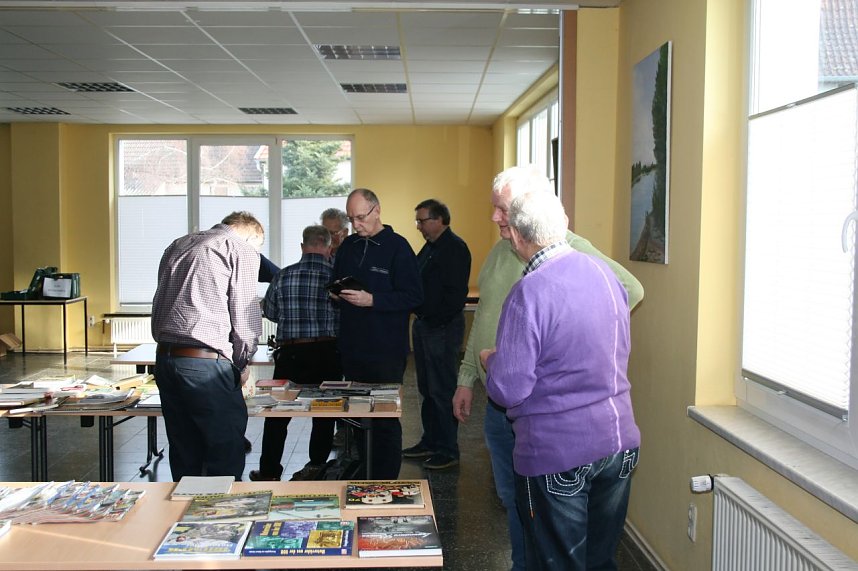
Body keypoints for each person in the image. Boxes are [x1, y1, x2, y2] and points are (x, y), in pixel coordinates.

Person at [452, 165, 644, 571]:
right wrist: (469, 375)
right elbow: (486, 313)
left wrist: (495, 360)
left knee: (553, 553)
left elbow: (509, 387)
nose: (495, 218)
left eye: (503, 210)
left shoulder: (536, 283)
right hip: (612, 436)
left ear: (524, 223)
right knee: (583, 552)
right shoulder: (592, 274)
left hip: (554, 437)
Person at [151, 210, 264, 481]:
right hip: (206, 366)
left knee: (184, 453)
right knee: (224, 454)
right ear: (252, 236)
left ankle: (183, 521)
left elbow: (159, 304)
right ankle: (221, 521)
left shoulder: (177, 244)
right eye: (259, 247)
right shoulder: (240, 249)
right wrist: (241, 363)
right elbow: (246, 316)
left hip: (166, 360)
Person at [332, 188, 423, 479]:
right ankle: (365, 475)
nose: (356, 225)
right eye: (351, 219)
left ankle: (385, 482)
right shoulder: (348, 247)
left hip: (385, 351)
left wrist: (374, 300)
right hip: (352, 348)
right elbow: (335, 281)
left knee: (384, 420)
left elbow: (414, 296)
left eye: (360, 217)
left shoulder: (398, 247)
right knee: (358, 417)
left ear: (377, 210)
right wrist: (336, 294)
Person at [249, 225, 341, 482]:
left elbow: (272, 313)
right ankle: (316, 466)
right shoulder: (337, 277)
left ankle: (269, 471)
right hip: (328, 351)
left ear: (303, 246)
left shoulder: (283, 276)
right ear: (329, 247)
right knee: (324, 413)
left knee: (277, 414)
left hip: (291, 353)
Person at [403, 199, 471, 470]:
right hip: (425, 324)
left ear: (440, 219)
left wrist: (431, 317)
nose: (419, 226)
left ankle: (447, 449)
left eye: (422, 220)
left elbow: (455, 296)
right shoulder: (430, 248)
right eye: (417, 221)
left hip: (440, 328)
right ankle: (430, 441)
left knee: (442, 389)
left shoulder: (454, 248)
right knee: (426, 389)